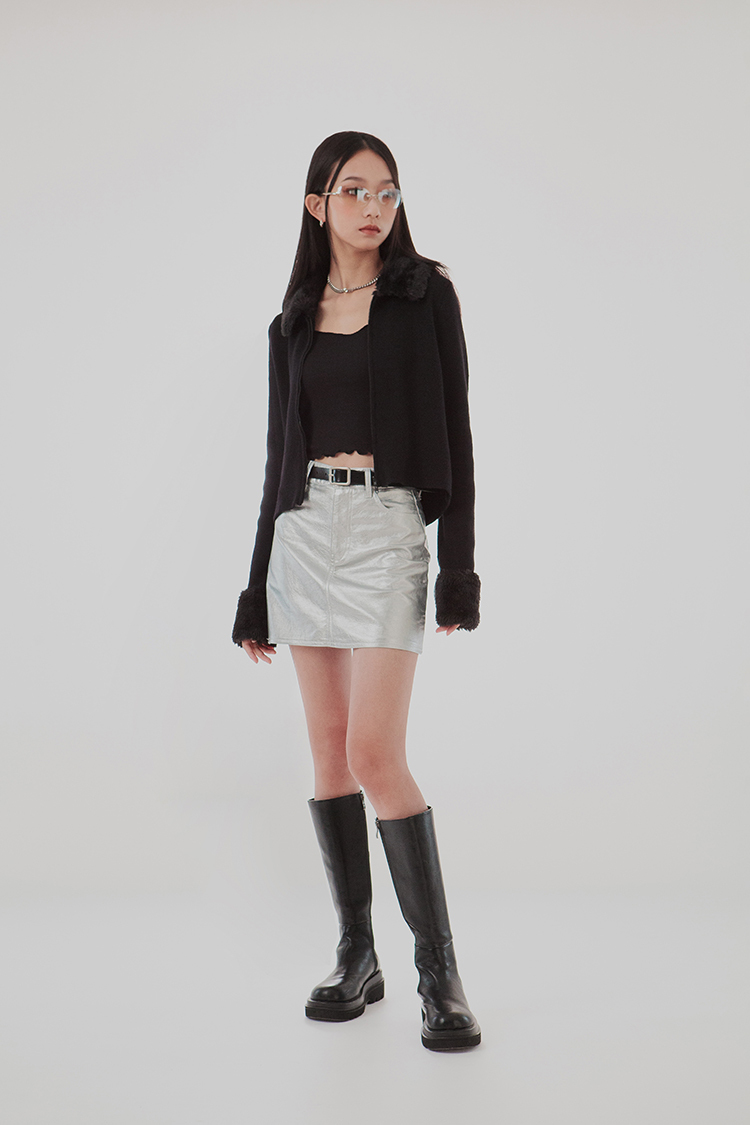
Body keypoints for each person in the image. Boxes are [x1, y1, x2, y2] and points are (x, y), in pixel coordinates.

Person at [231, 131, 481, 1051]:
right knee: (330, 755)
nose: (374, 207)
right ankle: (356, 952)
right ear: (318, 205)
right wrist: (254, 585)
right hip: (304, 533)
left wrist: (459, 567)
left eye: (387, 191)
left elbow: (457, 430)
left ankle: (439, 973)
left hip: (387, 528)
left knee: (376, 751)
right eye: (354, 191)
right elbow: (276, 460)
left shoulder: (426, 296)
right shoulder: (291, 321)